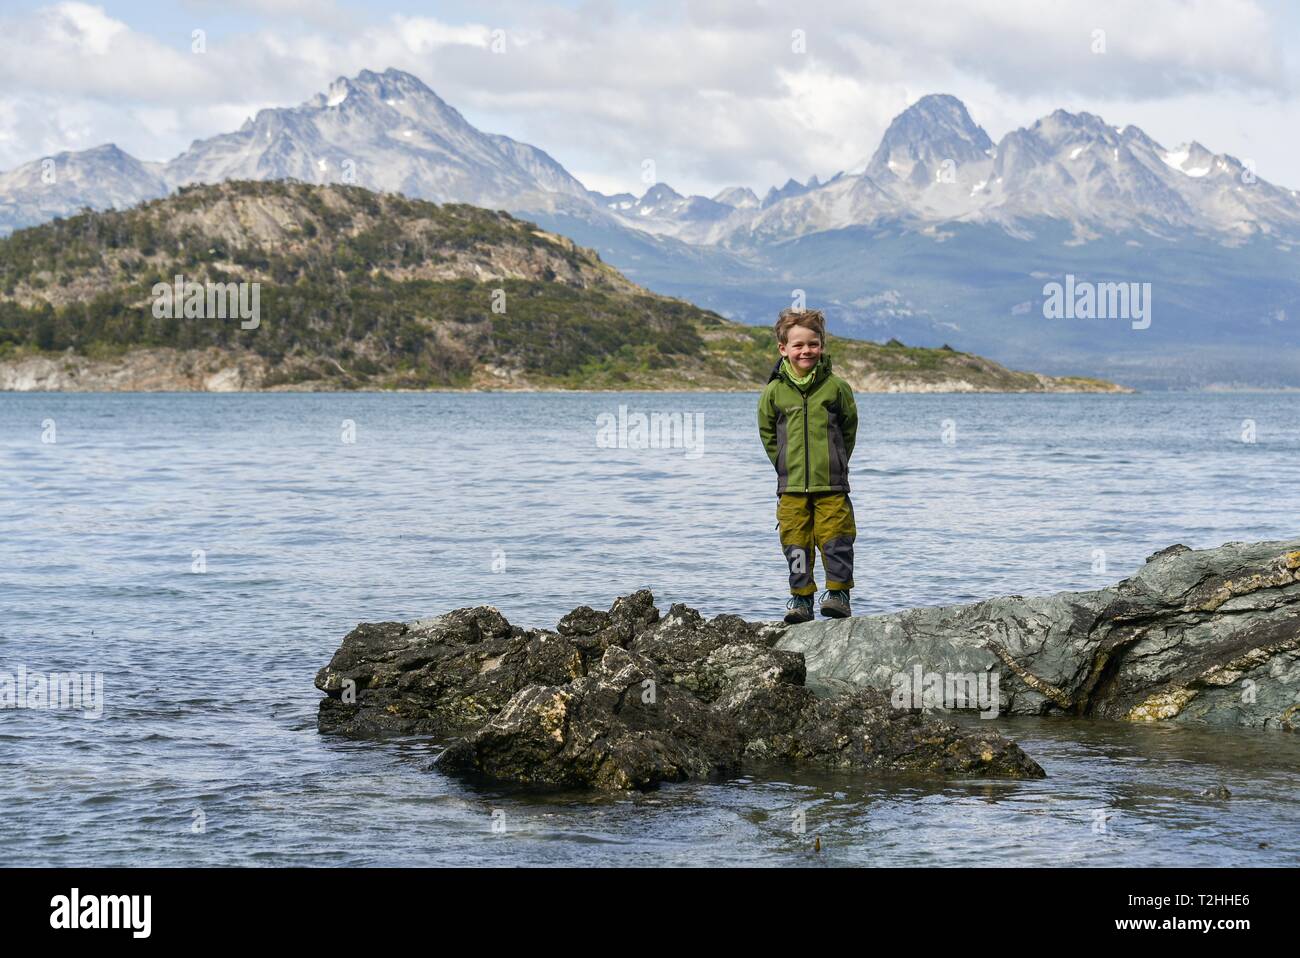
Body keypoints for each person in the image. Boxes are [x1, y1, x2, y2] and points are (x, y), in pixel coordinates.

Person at [756, 307, 858, 623]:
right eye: (798, 345)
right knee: (796, 542)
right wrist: (785, 464)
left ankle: (838, 595)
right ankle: (801, 599)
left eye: (812, 344)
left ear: (822, 345)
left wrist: (837, 461)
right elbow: (768, 433)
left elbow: (849, 428)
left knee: (836, 539)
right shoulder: (775, 391)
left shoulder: (836, 387)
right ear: (783, 349)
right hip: (791, 486)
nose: (806, 351)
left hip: (831, 483)